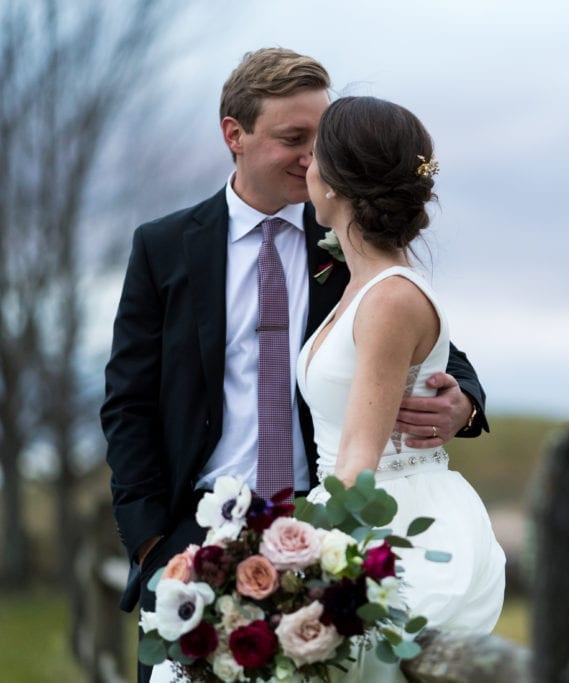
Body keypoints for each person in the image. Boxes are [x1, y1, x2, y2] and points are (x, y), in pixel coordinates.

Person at [100, 49, 488, 683]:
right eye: (292, 138)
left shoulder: (350, 238)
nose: (313, 157)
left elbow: (434, 348)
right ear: (234, 134)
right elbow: (128, 402)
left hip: (330, 530)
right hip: (196, 534)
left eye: (321, 136)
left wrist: (463, 402)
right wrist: (151, 543)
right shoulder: (164, 246)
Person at [299, 95, 505, 681]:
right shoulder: (361, 286)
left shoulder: (390, 297)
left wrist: (287, 559)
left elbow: (359, 459)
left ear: (336, 182)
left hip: (393, 516)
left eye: (314, 157)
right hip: (354, 506)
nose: (306, 170)